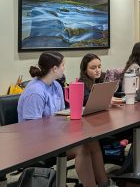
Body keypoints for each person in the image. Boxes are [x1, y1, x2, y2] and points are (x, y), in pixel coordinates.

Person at [17, 52, 112, 187]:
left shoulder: (56, 86)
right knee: (82, 148)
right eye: (63, 65)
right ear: (54, 69)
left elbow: (60, 115)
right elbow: (32, 130)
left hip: (55, 136)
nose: (64, 68)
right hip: (37, 144)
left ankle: (104, 183)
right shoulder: (35, 92)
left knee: (92, 141)